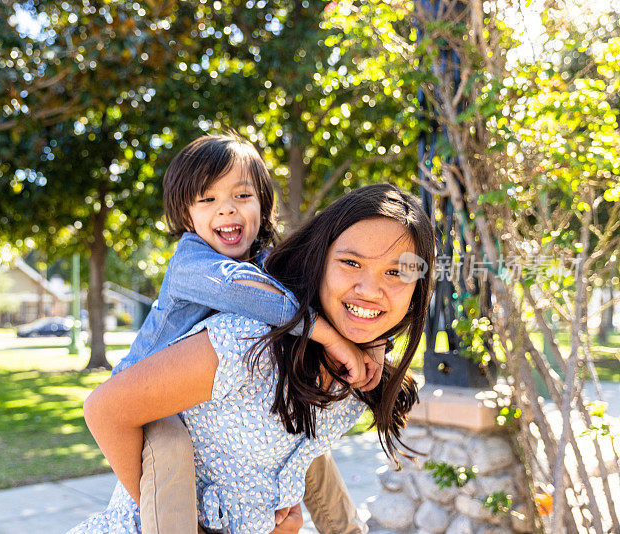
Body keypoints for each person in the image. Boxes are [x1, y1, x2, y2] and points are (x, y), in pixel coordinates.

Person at [68, 184, 435, 533]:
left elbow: (296, 461)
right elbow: (106, 409)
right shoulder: (247, 339)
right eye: (351, 263)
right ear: (319, 258)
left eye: (395, 272)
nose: (370, 290)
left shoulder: (356, 373)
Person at [109, 133, 381, 533]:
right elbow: (249, 294)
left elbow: (322, 290)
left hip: (212, 405)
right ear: (187, 217)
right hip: (153, 401)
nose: (227, 210)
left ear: (262, 206)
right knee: (170, 451)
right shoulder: (192, 262)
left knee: (298, 436)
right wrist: (331, 338)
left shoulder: (265, 261)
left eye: (241, 196)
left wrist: (371, 341)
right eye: (208, 200)